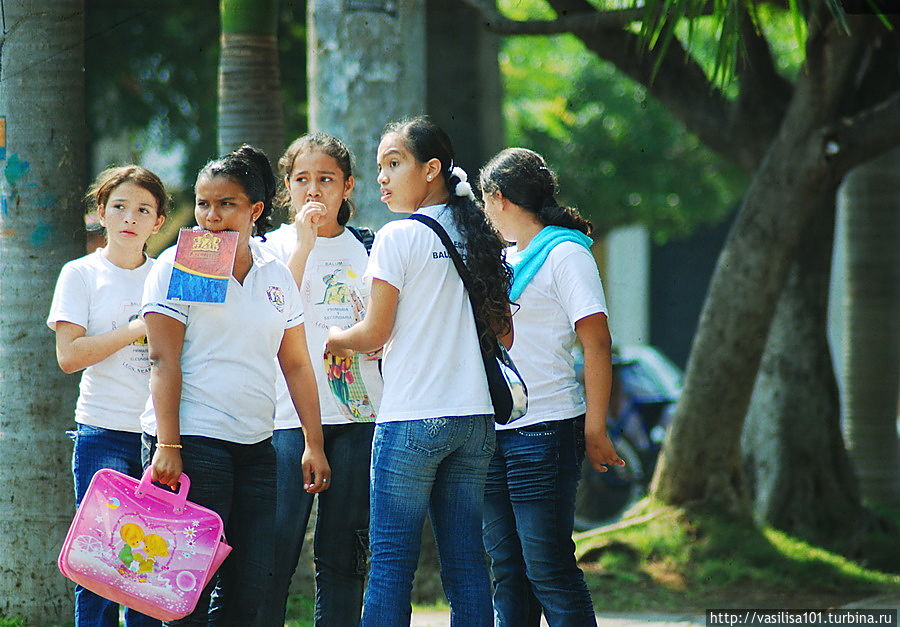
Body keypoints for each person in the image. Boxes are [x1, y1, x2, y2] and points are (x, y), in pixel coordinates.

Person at [326, 116, 513, 627]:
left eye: (394, 163)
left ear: (431, 169)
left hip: (412, 419)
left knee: (390, 563)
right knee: (467, 563)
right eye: (380, 166)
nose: (382, 177)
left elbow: (372, 334)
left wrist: (330, 339)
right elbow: (505, 333)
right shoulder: (478, 233)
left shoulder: (398, 236)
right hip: (474, 422)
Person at [140, 145, 330, 626]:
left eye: (226, 204)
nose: (212, 216)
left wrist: (313, 441)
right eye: (204, 203)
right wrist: (167, 443)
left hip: (256, 446)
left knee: (250, 588)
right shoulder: (180, 264)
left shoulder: (274, 275)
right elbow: (163, 357)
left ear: (255, 211)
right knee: (188, 587)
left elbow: (296, 364)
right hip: (193, 441)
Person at [478, 147, 625, 627]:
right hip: (495, 431)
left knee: (549, 569)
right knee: (508, 572)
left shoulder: (565, 253)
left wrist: (596, 427)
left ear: (497, 198)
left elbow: (597, 342)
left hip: (547, 430)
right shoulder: (501, 258)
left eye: (484, 202)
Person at [260, 132, 382, 626]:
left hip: (356, 416)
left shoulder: (370, 249)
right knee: (274, 553)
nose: (315, 190)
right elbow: (271, 311)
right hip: (284, 420)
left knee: (343, 557)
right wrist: (305, 246)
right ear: (288, 189)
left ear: (347, 187)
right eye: (303, 180)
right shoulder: (267, 248)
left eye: (326, 179)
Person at [47, 165, 168, 627]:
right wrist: (137, 327)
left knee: (148, 566)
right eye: (119, 206)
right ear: (101, 213)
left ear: (158, 222)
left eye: (143, 209)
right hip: (102, 434)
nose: (129, 218)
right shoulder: (80, 274)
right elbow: (70, 355)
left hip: (160, 438)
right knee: (97, 565)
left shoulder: (167, 275)